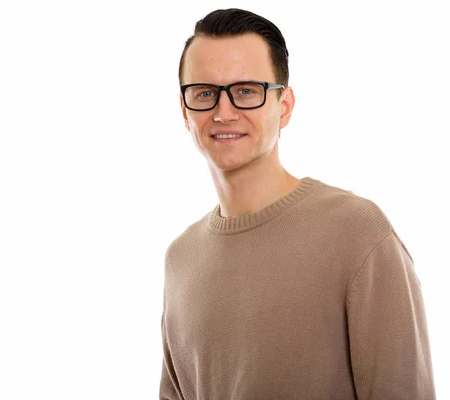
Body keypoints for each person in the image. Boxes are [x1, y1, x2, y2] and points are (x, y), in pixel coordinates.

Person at [159, 8, 436, 400]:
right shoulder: (181, 258)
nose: (223, 112)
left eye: (246, 91)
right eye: (205, 93)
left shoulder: (357, 232)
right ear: (185, 111)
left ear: (284, 106)